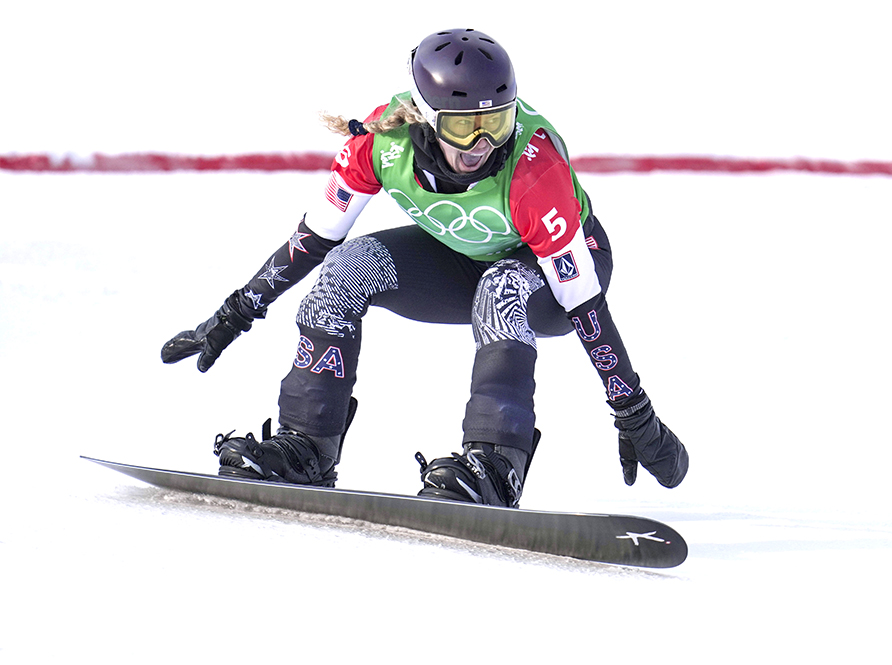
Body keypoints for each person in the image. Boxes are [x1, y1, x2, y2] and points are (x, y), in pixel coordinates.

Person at [161, 28, 688, 507]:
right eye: (465, 127)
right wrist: (235, 312)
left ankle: (497, 465)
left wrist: (633, 410)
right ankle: (307, 443)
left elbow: (583, 300)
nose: (482, 146)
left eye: (497, 122)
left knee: (501, 289)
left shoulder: (533, 169)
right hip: (466, 262)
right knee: (348, 267)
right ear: (426, 117)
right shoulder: (379, 144)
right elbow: (314, 238)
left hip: (557, 275)